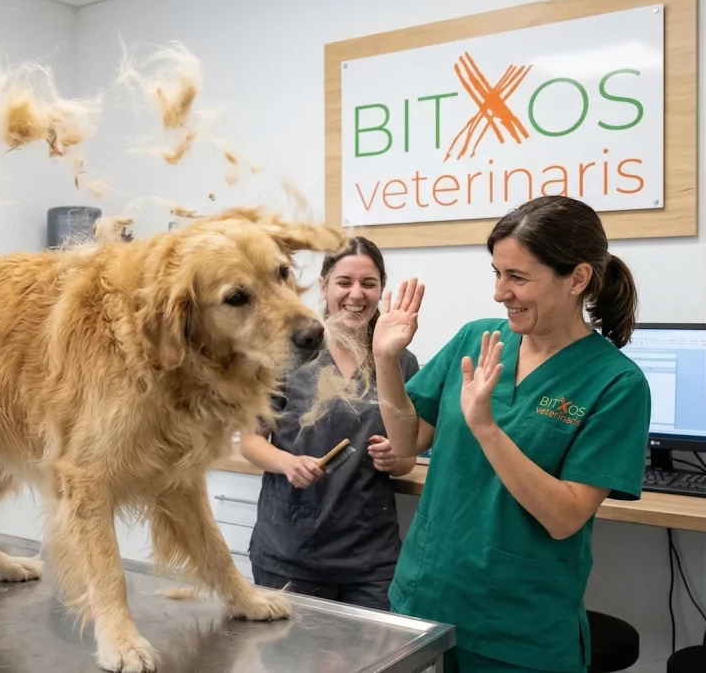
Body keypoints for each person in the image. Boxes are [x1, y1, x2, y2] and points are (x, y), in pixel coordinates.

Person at [372, 195, 651, 673]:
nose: (501, 293)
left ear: (577, 279)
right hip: (425, 597)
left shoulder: (616, 383)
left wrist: (486, 428)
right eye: (497, 274)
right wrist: (385, 359)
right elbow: (405, 444)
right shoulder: (477, 339)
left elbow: (565, 516)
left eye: (518, 277)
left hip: (518, 627)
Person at [240, 236, 419, 611]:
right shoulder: (285, 352)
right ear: (323, 286)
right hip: (291, 552)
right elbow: (251, 442)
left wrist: (394, 458)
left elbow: (405, 459)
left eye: (368, 284)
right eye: (344, 282)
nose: (357, 294)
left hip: (370, 558)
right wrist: (287, 463)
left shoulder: (399, 361)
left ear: (380, 290)